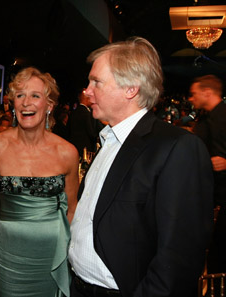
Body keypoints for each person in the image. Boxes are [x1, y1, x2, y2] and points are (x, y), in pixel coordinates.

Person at [68, 37, 214, 297]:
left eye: (96, 82)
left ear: (130, 89)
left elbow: (178, 258)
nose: (87, 91)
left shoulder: (177, 148)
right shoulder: (109, 139)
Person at [0, 66, 79, 297]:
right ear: (12, 103)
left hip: (52, 254)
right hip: (10, 253)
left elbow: (72, 209)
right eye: (20, 95)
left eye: (35, 96)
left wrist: (73, 255)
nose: (26, 102)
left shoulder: (67, 152)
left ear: (49, 106)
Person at [188, 74, 226, 273]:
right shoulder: (205, 118)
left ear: (207, 92)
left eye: (194, 94)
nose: (191, 98)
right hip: (210, 193)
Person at [67, 89, 102, 157]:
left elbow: (68, 131)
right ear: (86, 99)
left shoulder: (73, 113)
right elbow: (91, 132)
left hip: (73, 147)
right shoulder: (86, 113)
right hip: (85, 149)